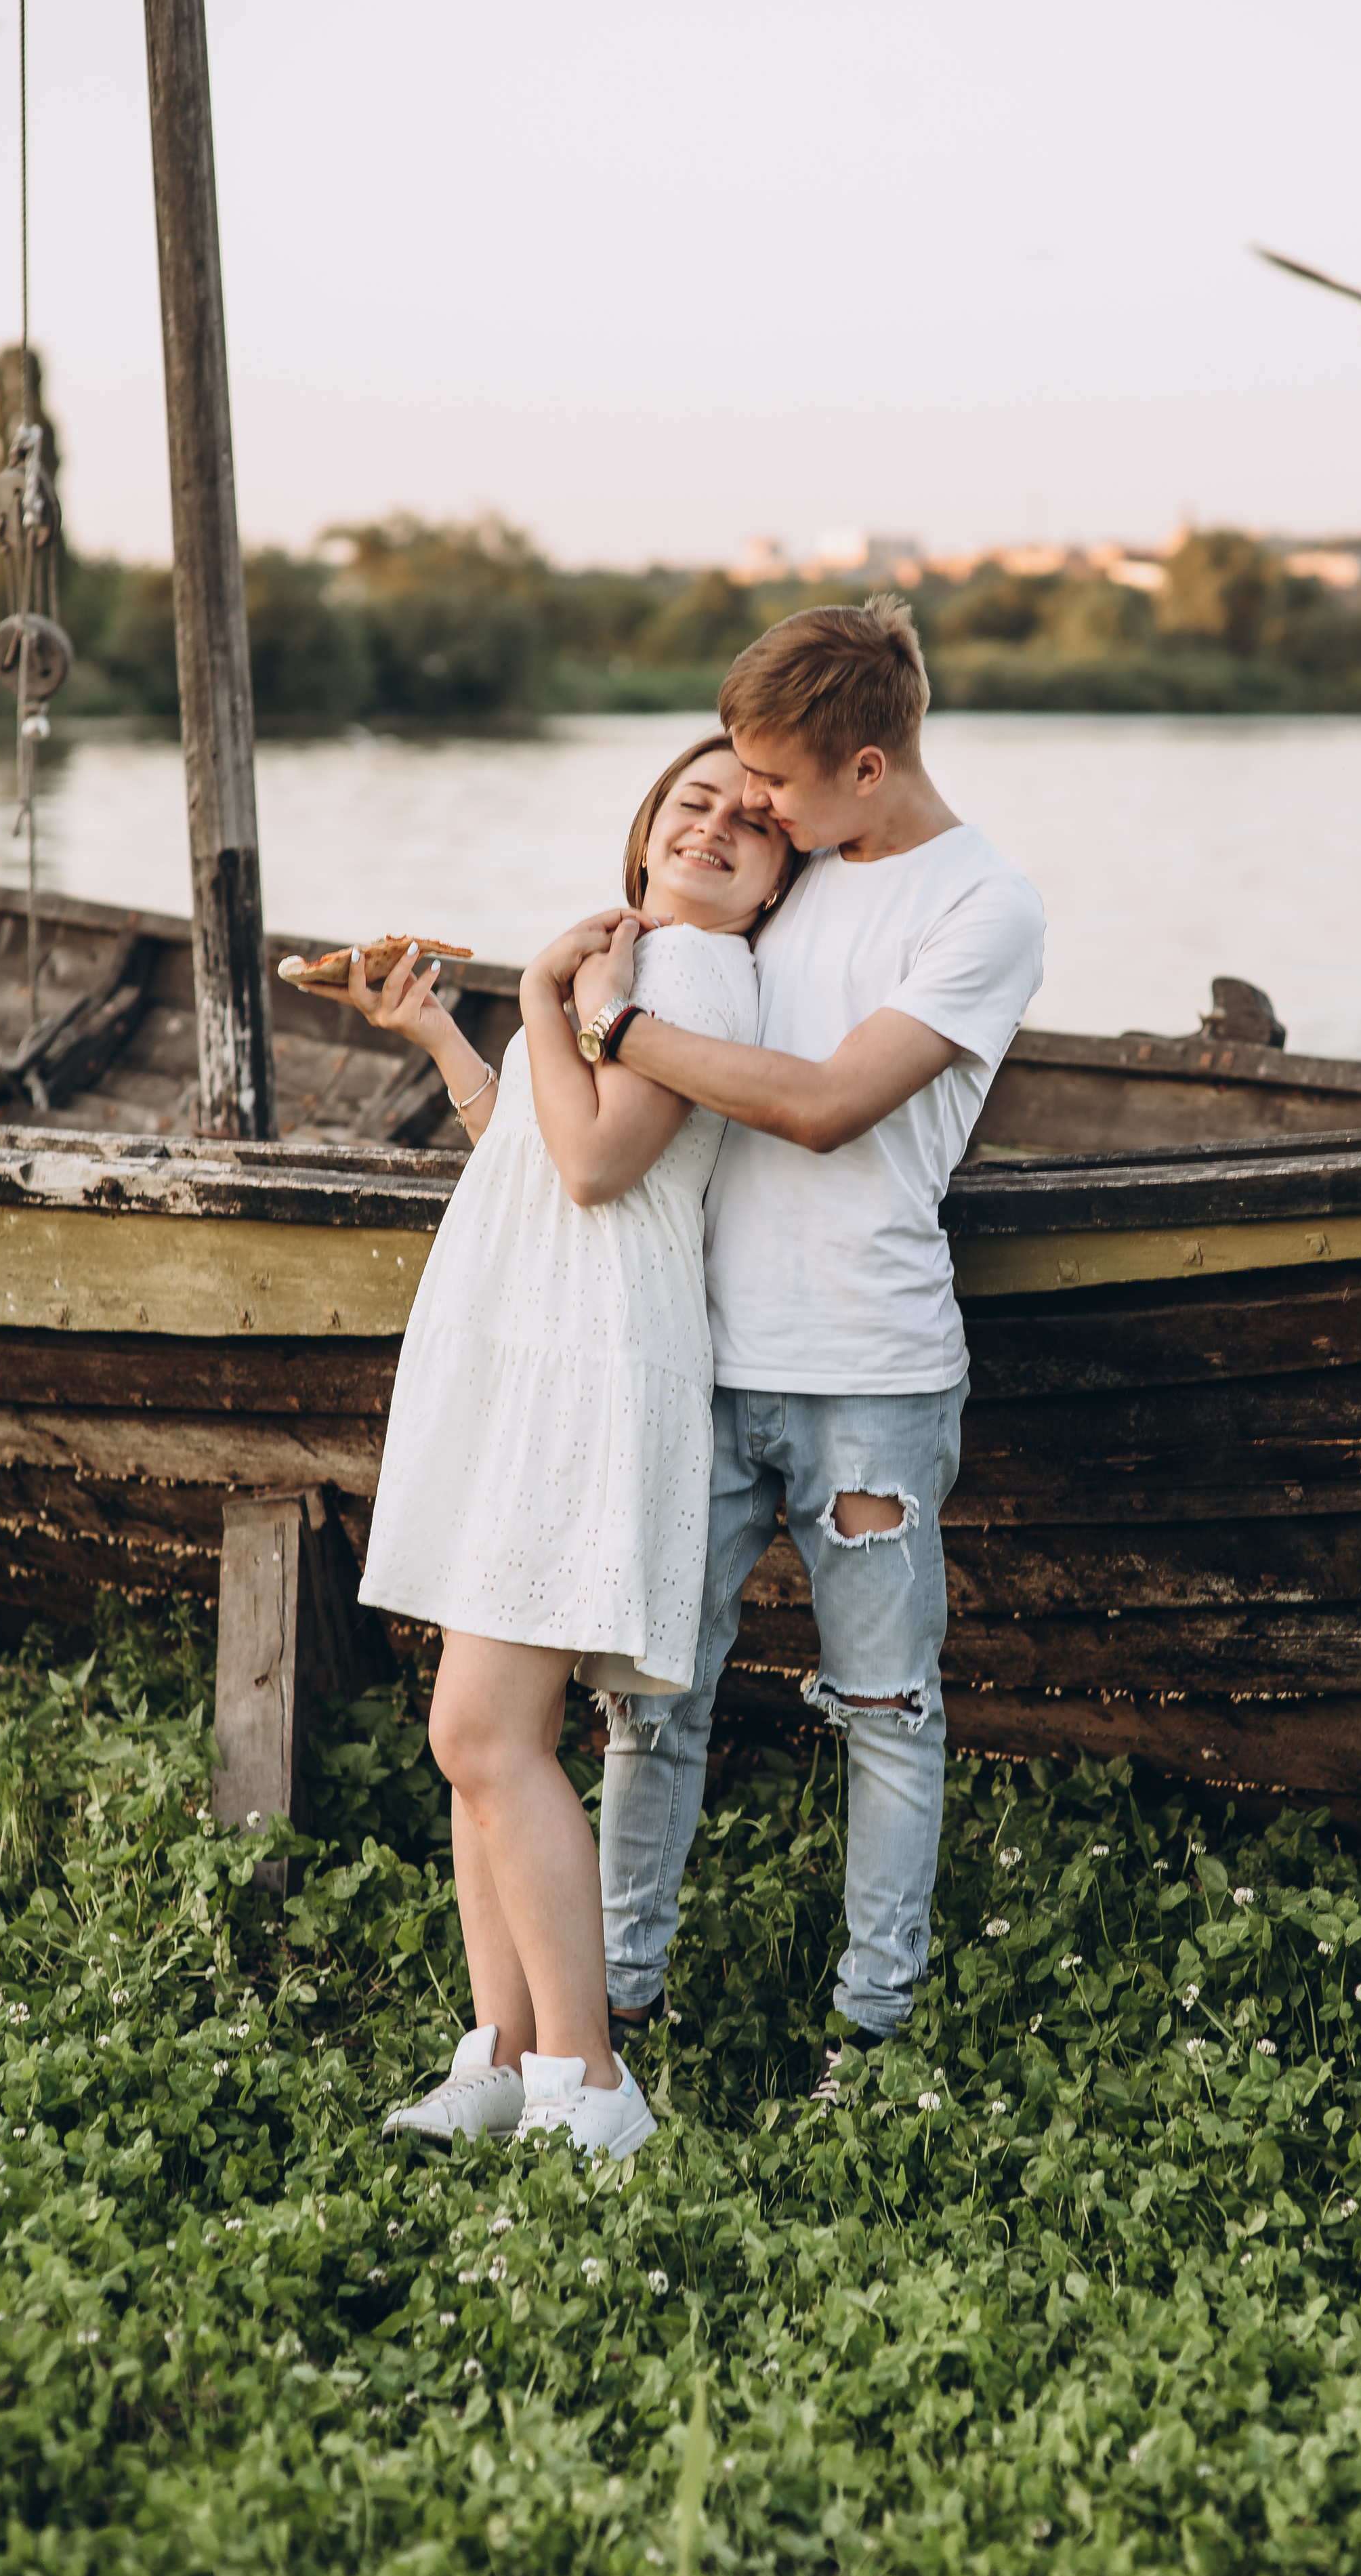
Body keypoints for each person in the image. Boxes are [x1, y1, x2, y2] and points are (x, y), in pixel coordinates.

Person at [564, 595, 1045, 2087]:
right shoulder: (791, 873)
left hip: (870, 1380)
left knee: (888, 1713)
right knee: (653, 1702)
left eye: (774, 778)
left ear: (865, 765)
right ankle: (617, 2002)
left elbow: (829, 1110)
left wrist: (615, 1031)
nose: (750, 803)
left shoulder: (980, 908)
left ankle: (870, 2031)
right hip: (695, 1365)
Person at [348, 737, 798, 2153]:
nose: (715, 825)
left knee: (480, 1731)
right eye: (690, 802)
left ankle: (590, 2084)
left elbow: (600, 1167)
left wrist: (549, 991)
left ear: (781, 870)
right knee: (485, 1738)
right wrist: (447, 1040)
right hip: (530, 1354)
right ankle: (501, 2051)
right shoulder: (635, 964)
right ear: (643, 826)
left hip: (587, 1365)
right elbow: (535, 1150)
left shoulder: (698, 973)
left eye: (750, 818)